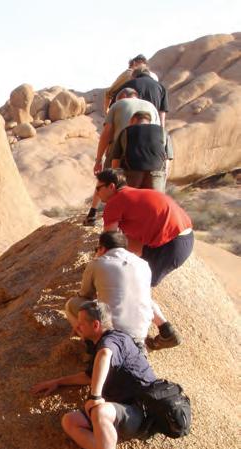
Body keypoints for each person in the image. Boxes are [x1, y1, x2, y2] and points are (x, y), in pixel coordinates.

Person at [31, 301, 154, 449]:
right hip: (123, 408)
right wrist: (58, 382)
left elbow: (105, 355)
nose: (76, 327)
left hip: (140, 412)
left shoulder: (112, 341)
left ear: (96, 325)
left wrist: (95, 397)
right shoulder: (105, 342)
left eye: (80, 323)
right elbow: (89, 376)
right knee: (70, 421)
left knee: (100, 411)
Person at [95, 169, 194, 349]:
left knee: (135, 286)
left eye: (98, 188)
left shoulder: (115, 202)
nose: (97, 193)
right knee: (131, 270)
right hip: (182, 239)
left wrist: (96, 266)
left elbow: (108, 242)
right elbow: (127, 243)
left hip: (170, 244)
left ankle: (166, 332)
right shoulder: (133, 195)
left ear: (111, 186)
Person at [83, 89, 159, 225]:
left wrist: (99, 159)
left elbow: (107, 132)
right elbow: (158, 130)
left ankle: (93, 214)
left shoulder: (118, 105)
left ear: (123, 96)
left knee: (106, 179)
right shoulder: (151, 107)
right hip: (148, 157)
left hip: (120, 148)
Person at [66, 231, 153, 347]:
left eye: (97, 249)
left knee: (71, 304)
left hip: (111, 332)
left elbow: (85, 295)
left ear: (102, 248)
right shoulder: (144, 264)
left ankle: (91, 341)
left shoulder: (97, 263)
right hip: (141, 332)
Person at [110, 110, 174, 192]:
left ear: (133, 120)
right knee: (155, 199)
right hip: (156, 173)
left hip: (132, 172)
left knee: (130, 199)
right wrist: (163, 176)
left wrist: (116, 181)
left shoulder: (126, 131)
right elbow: (167, 158)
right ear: (149, 121)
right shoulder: (163, 131)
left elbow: (116, 160)